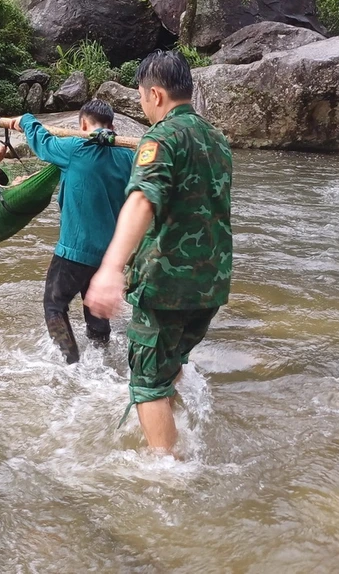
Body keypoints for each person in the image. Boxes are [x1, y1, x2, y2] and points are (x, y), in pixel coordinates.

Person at [85, 51, 233, 455]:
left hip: (168, 283)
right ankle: (176, 427)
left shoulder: (161, 137)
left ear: (156, 94)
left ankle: (166, 473)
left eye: (142, 97)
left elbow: (141, 200)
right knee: (170, 361)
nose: (144, 105)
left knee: (147, 379)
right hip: (211, 285)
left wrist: (111, 268)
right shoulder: (217, 139)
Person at [10, 100, 134, 364]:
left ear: (82, 125)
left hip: (75, 251)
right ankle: (102, 357)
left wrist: (26, 119)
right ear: (112, 126)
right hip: (109, 255)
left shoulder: (75, 149)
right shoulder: (128, 157)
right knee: (96, 307)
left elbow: (41, 142)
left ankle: (71, 362)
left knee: (54, 305)